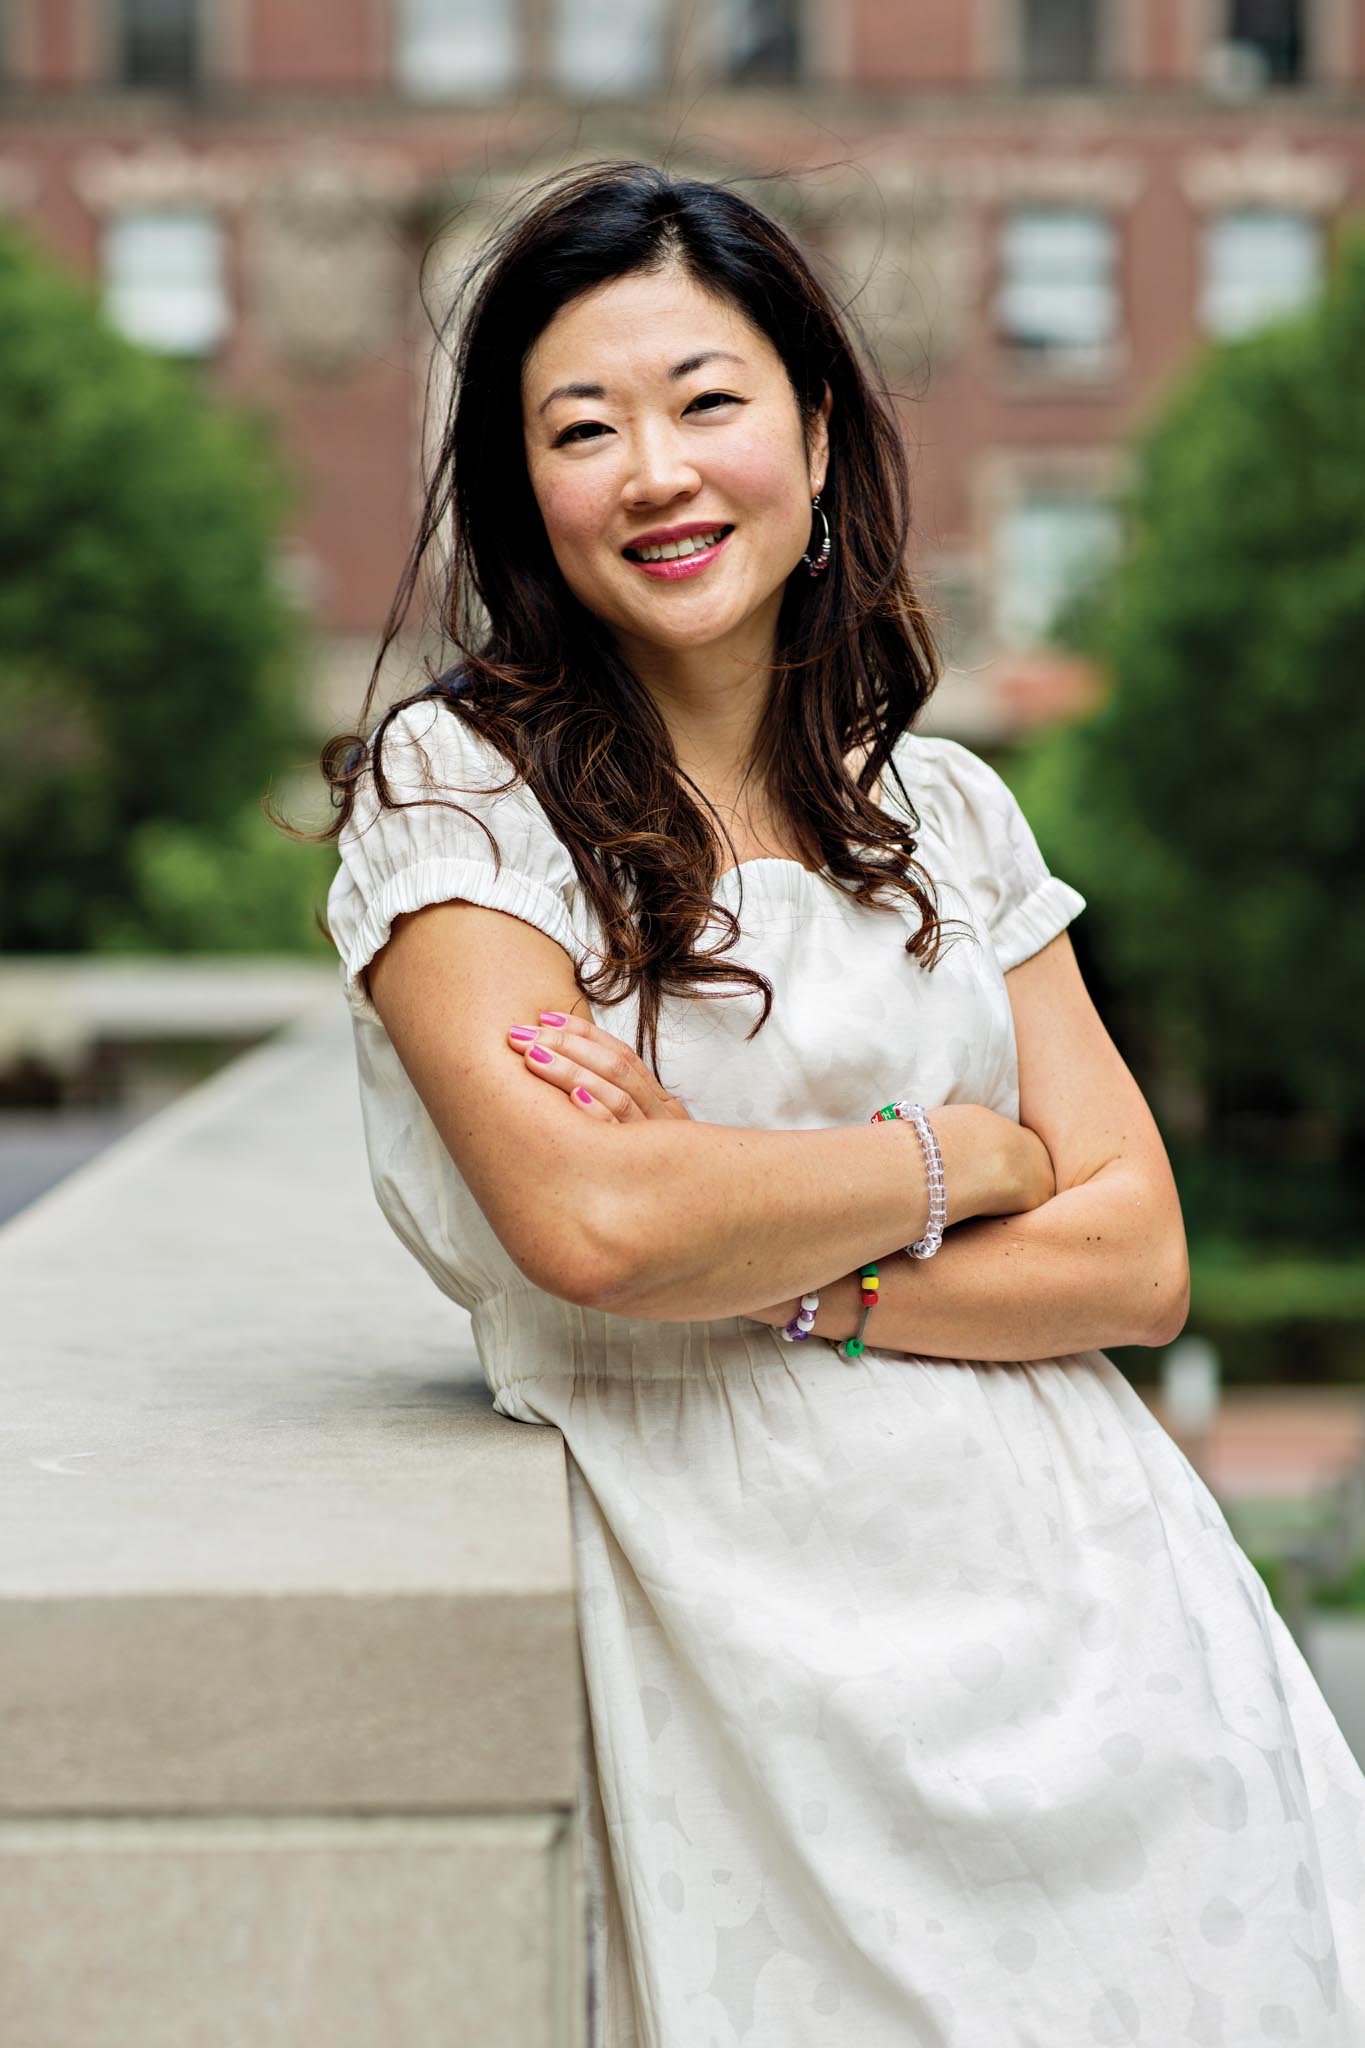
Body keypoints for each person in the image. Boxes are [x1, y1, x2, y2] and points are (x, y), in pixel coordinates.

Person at [321, 160, 1365, 2046]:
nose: (654, 471)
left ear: (810, 431)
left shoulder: (946, 811)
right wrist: (957, 1161)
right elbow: (594, 1227)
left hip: (1102, 1619)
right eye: (583, 427)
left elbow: (1134, 1257)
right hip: (752, 1646)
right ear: (518, 490)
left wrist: (776, 1258)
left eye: (706, 401)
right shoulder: (459, 796)